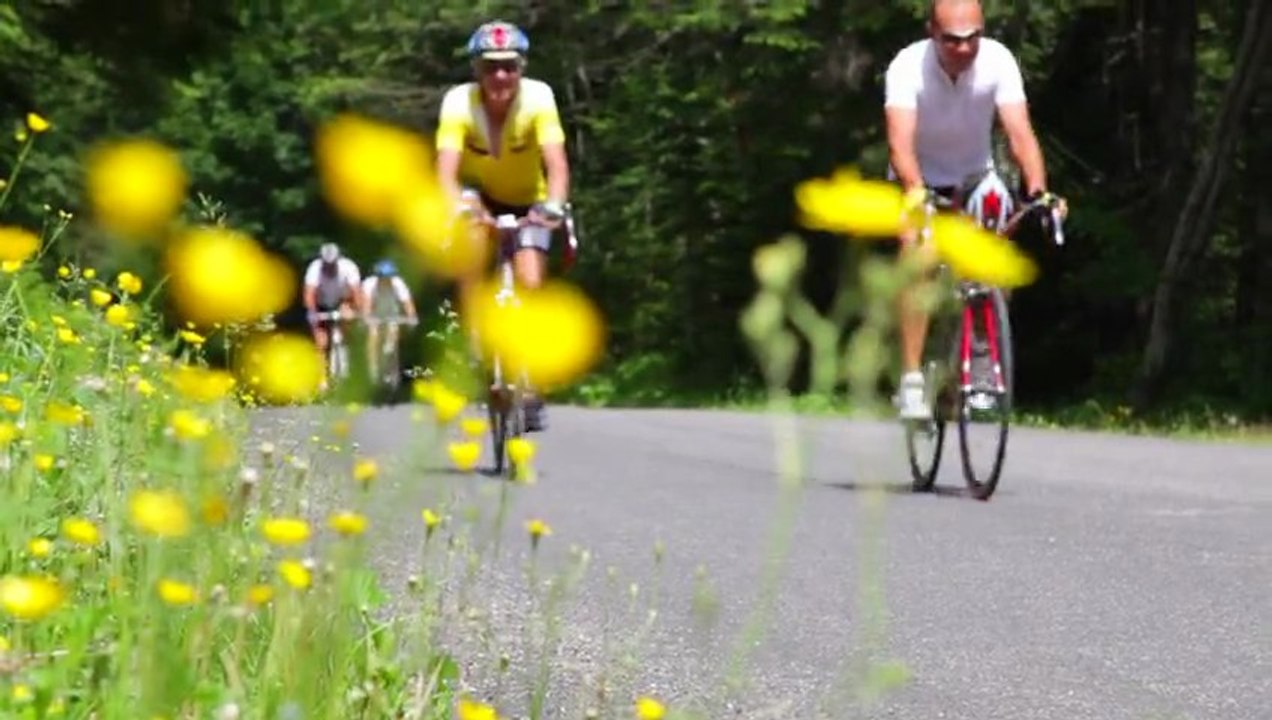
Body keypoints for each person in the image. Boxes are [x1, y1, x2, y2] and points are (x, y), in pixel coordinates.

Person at [883, 0, 1067, 420]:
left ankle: (981, 357)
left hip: (974, 176)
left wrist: (1038, 190)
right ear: (933, 31)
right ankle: (911, 381)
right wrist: (916, 192)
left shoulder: (999, 61)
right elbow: (900, 144)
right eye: (951, 39)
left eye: (972, 39)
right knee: (920, 256)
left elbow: (1020, 135)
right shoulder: (907, 67)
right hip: (920, 178)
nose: (963, 49)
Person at [434, 19, 572, 431]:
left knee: (529, 280)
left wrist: (555, 206)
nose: (500, 76)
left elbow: (558, 165)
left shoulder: (539, 99)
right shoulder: (458, 103)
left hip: (532, 199)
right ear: (476, 69)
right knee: (469, 254)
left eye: (509, 66)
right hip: (478, 194)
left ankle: (529, 384)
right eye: (490, 66)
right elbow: (445, 171)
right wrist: (454, 208)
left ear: (522, 68)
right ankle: (478, 347)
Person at [302, 242, 364, 380]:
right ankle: (322, 380)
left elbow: (356, 292)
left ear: (338, 260)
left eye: (332, 264)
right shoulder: (315, 268)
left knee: (346, 320)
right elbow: (309, 294)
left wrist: (358, 312)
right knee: (321, 341)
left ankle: (347, 362)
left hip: (343, 301)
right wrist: (312, 313)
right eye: (326, 264)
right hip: (321, 304)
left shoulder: (348, 267)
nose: (329, 267)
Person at [361, 258, 418, 381]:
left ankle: (391, 358)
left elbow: (408, 304)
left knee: (393, 332)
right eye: (383, 277)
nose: (387, 280)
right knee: (373, 335)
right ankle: (373, 370)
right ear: (378, 277)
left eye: (389, 277)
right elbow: (366, 305)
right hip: (375, 316)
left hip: (392, 315)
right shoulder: (369, 284)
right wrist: (366, 318)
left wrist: (412, 318)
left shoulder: (399, 284)